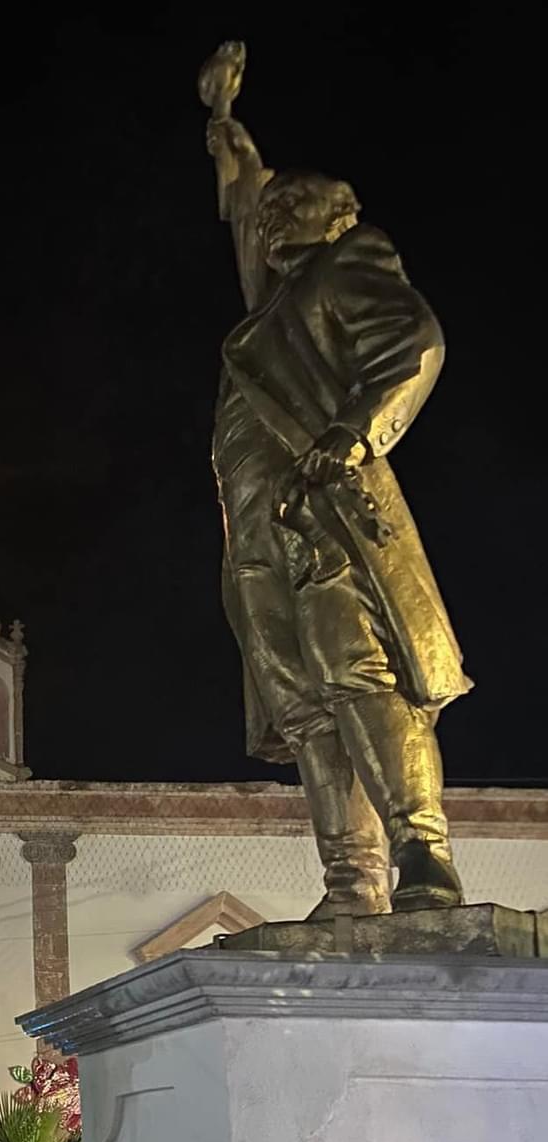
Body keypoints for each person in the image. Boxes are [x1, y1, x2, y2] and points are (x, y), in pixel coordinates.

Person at [201, 44, 470, 915]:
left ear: (339, 217)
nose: (273, 221)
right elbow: (244, 212)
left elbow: (414, 343)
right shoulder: (270, 302)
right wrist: (225, 131)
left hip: (324, 515)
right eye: (270, 213)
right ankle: (349, 880)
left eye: (293, 209)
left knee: (359, 673)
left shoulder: (348, 264)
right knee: (301, 704)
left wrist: (353, 435)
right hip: (254, 535)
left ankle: (420, 851)